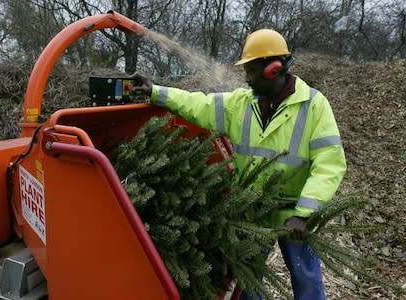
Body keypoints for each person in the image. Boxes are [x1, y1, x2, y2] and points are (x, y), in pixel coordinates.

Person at [133, 28, 347, 300]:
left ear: (273, 70)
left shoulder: (314, 106)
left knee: (306, 281)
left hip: (294, 213)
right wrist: (155, 92)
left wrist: (304, 213)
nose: (246, 78)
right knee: (247, 278)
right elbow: (199, 105)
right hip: (251, 212)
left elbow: (330, 164)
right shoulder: (241, 104)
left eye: (251, 71)